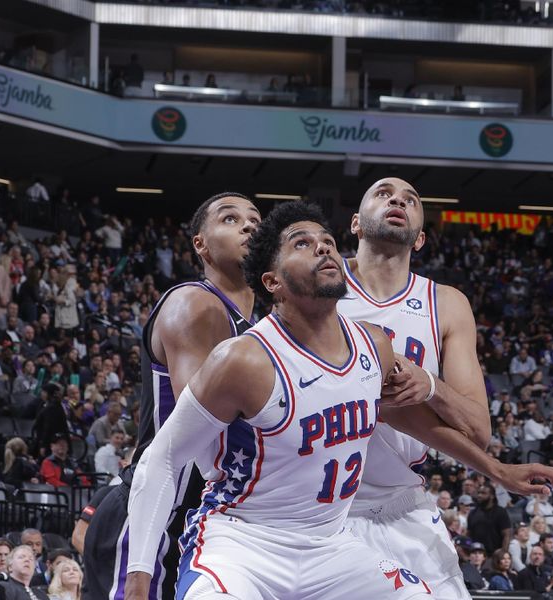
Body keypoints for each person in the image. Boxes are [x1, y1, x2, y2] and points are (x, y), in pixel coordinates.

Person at [126, 202, 437, 600]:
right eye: (302, 244)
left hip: (333, 546)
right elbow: (164, 456)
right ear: (272, 281)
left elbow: (411, 422)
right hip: (243, 544)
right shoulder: (243, 360)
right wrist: (139, 580)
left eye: (327, 242)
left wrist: (496, 468)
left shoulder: (375, 345)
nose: (324, 248)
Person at [337, 177, 553, 599]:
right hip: (320, 505)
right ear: (355, 223)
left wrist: (429, 385)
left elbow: (478, 429)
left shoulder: (445, 302)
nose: (398, 200)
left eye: (410, 199)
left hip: (400, 502)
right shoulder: (322, 288)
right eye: (384, 193)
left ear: (420, 237)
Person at [84, 194, 260, 600]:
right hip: (154, 517)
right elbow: (202, 431)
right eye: (230, 219)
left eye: (256, 220)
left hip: (198, 517)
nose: (249, 226)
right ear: (200, 243)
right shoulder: (195, 303)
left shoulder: (257, 327)